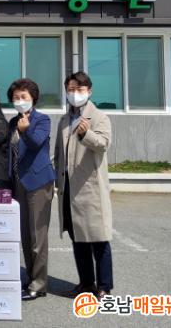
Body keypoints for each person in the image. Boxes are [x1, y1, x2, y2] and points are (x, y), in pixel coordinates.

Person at [54, 71, 113, 300]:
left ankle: (104, 287)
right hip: (69, 187)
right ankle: (86, 283)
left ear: (89, 91)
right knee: (77, 238)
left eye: (79, 90)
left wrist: (86, 133)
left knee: (98, 239)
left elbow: (103, 144)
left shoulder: (99, 117)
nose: (75, 94)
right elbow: (59, 153)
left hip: (90, 188)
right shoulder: (64, 120)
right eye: (70, 90)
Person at [7, 79, 56, 301]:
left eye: (23, 97)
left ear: (33, 98)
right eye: (16, 97)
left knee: (38, 236)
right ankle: (30, 278)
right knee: (25, 235)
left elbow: (36, 143)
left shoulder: (42, 119)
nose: (20, 101)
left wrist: (25, 131)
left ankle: (39, 284)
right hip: (19, 182)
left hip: (38, 182)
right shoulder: (12, 121)